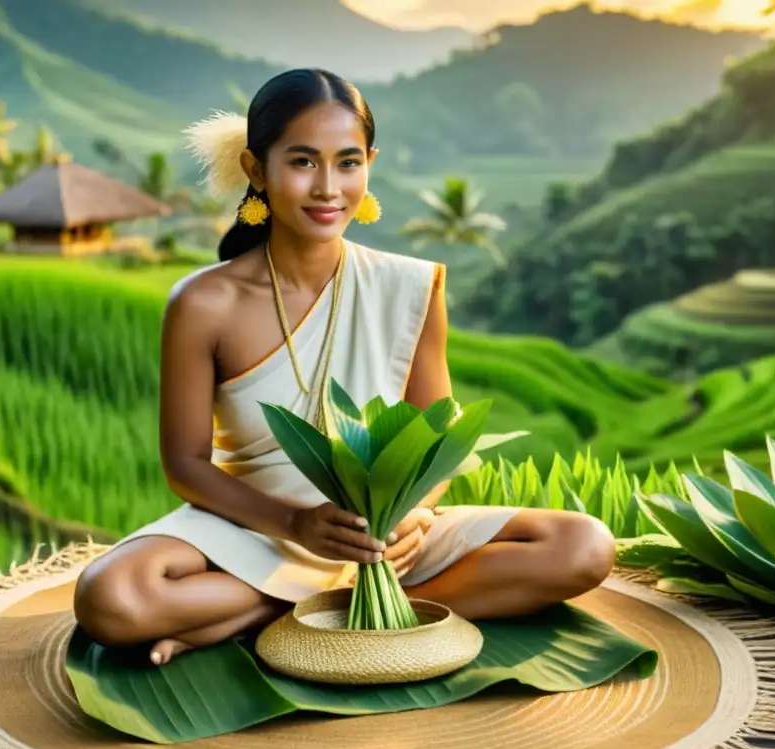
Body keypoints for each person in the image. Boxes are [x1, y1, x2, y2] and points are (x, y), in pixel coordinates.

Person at [72, 68, 616, 666]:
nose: (328, 187)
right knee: (111, 599)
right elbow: (185, 465)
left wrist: (411, 513)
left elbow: (436, 436)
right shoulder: (203, 303)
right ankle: (336, 607)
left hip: (380, 534)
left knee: (583, 546)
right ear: (257, 170)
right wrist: (296, 523)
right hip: (253, 531)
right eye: (303, 162)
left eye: (348, 163)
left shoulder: (411, 285)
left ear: (370, 164)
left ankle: (280, 612)